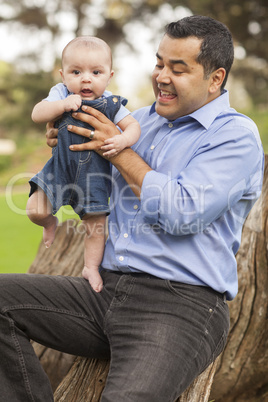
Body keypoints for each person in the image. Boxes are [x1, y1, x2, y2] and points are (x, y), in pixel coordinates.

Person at [0, 15, 264, 402]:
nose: (162, 76)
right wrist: (65, 135)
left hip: (180, 306)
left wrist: (118, 149)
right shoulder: (140, 121)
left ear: (215, 78)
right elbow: (82, 170)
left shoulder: (236, 137)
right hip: (104, 291)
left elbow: (181, 213)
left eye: (178, 68)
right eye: (159, 63)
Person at [27, 36, 141, 292]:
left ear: (109, 76)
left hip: (94, 174)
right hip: (59, 168)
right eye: (76, 72)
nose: (86, 78)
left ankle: (90, 267)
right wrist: (61, 105)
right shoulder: (61, 93)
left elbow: (134, 127)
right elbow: (37, 114)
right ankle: (49, 223)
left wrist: (123, 140)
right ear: (63, 74)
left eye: (96, 72)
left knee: (95, 227)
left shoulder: (112, 104)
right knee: (35, 210)